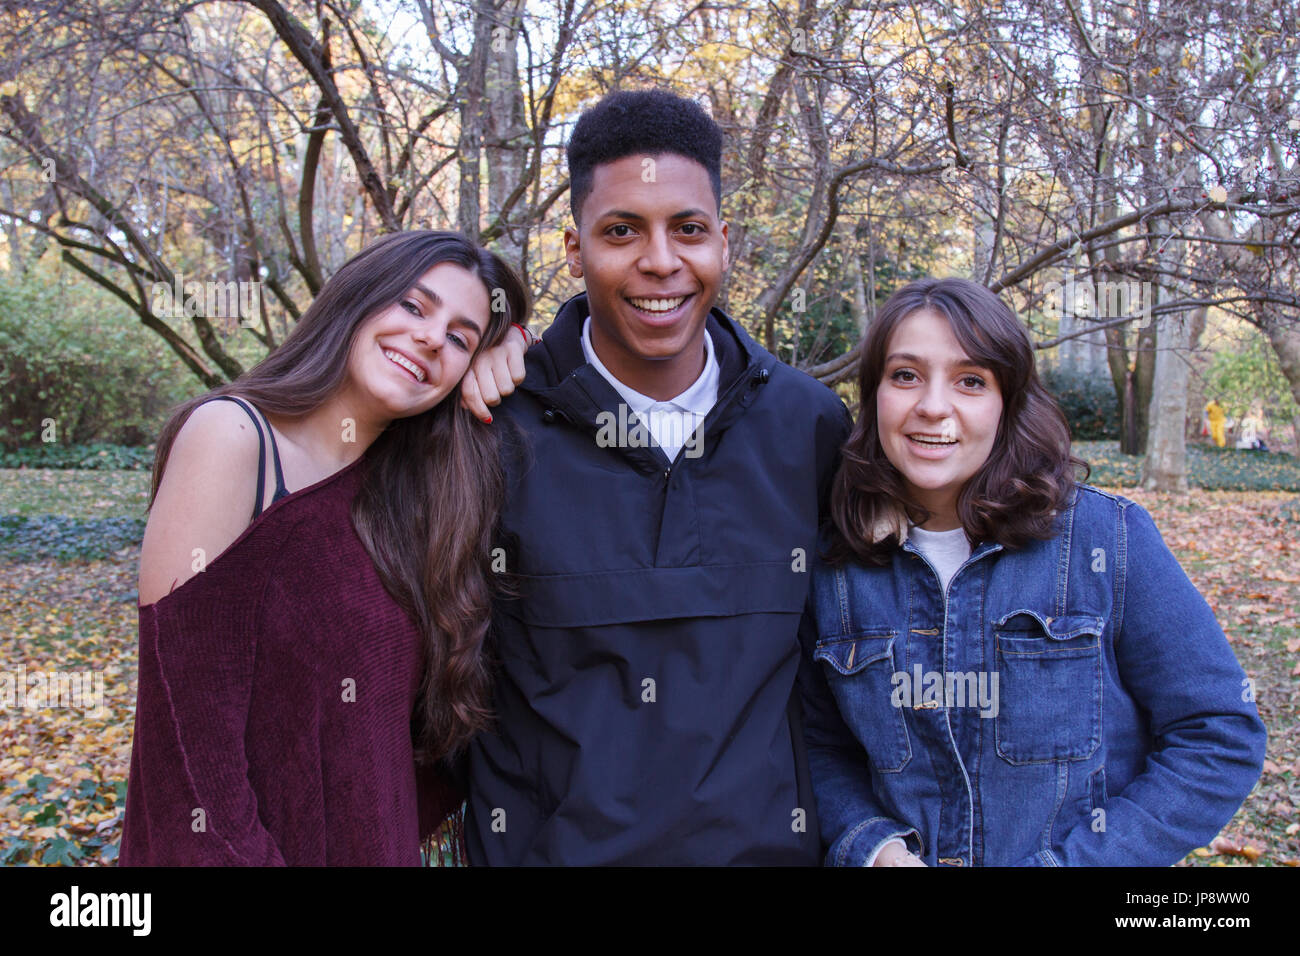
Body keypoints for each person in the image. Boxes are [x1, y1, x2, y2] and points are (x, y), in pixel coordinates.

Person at [463, 89, 851, 864]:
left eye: (688, 229)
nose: (661, 262)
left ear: (724, 241)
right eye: (621, 231)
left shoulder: (810, 428)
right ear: (574, 249)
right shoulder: (488, 431)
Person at [800, 277, 1266, 866]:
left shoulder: (1105, 540)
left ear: (1008, 401)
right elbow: (819, 745)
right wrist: (875, 846)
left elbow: (1219, 732)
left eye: (971, 381)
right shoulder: (835, 564)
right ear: (874, 394)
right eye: (905, 375)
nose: (932, 406)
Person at [119, 230, 529, 865]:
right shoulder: (232, 440)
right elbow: (189, 760)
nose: (428, 338)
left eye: (459, 338)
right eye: (414, 307)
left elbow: (389, 749)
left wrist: (520, 341)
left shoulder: (410, 502)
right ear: (356, 301)